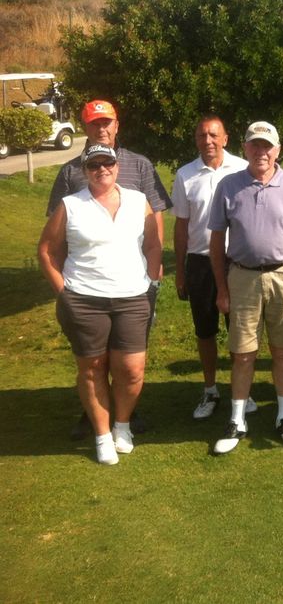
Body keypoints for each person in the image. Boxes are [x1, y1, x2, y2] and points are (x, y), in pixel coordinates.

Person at [48, 99, 171, 440]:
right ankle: (94, 415)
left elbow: (155, 220)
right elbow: (56, 233)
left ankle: (126, 414)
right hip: (86, 285)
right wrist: (64, 288)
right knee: (94, 357)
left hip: (133, 283)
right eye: (94, 123)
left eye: (107, 122)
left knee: (128, 355)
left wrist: (153, 271)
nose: (101, 128)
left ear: (117, 124)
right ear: (85, 128)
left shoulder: (140, 165)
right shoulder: (70, 171)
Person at [207, 121, 283, 455]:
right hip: (242, 277)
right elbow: (216, 241)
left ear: (278, 150)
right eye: (255, 145)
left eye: (267, 146)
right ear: (245, 148)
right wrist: (221, 289)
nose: (261, 152)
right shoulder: (229, 186)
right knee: (243, 353)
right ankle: (237, 420)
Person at [172, 115, 252, 420]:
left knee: (239, 331)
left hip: (238, 262)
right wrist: (180, 271)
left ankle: (241, 391)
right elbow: (181, 226)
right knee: (205, 330)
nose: (208, 141)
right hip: (200, 262)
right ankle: (210, 390)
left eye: (213, 135)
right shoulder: (185, 175)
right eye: (202, 135)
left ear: (225, 138)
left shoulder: (243, 169)